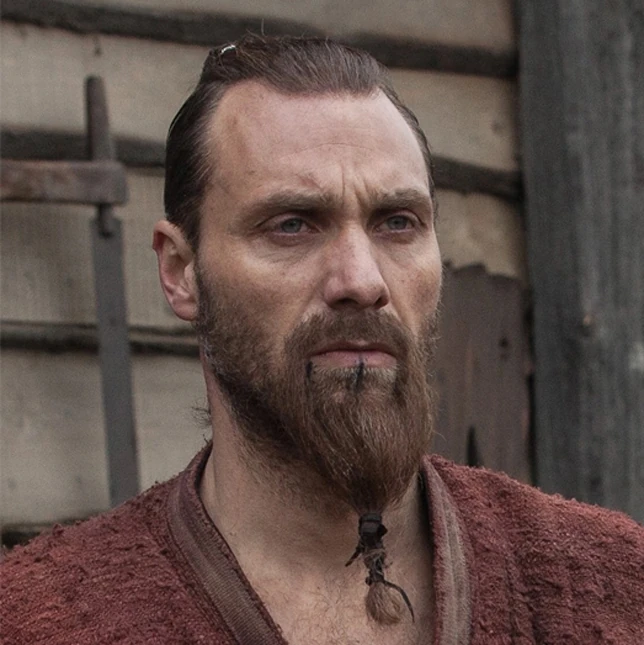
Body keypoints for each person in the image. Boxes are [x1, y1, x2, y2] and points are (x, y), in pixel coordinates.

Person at [2, 34, 643, 645]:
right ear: (180, 270)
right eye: (292, 225)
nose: (362, 282)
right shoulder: (36, 620)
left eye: (397, 222)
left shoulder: (613, 586)